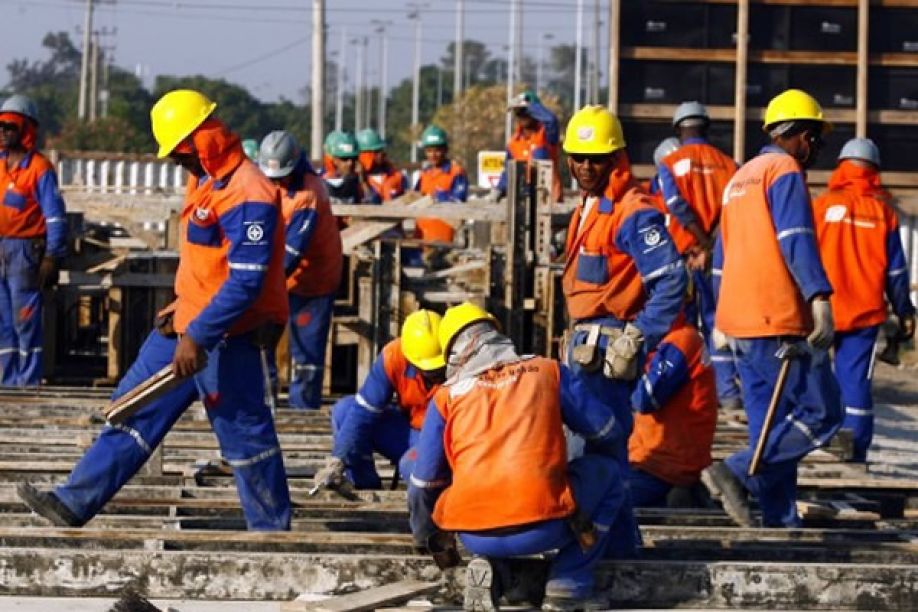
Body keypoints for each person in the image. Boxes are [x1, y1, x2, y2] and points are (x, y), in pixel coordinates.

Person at [16, 89, 292, 531]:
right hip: (186, 326)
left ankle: (272, 534)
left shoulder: (248, 192)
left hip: (227, 337)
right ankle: (73, 502)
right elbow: (206, 263)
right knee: (131, 409)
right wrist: (181, 308)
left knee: (244, 437)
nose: (174, 164)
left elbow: (246, 280)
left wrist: (198, 335)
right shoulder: (203, 179)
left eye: (176, 154)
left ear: (195, 143)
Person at [408, 302, 629, 611]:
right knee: (609, 475)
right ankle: (570, 580)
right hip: (545, 527)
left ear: (451, 353)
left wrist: (425, 538)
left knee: (462, 485)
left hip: (473, 534)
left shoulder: (446, 396)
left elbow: (423, 482)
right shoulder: (547, 371)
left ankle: (493, 569)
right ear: (496, 332)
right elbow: (607, 431)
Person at [707, 89, 842, 528]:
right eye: (815, 139)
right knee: (822, 413)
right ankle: (737, 471)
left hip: (740, 320)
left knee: (771, 423)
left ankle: (778, 519)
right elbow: (795, 239)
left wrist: (719, 318)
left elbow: (720, 256)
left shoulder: (740, 178)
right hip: (776, 318)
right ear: (800, 136)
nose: (816, 149)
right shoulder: (784, 170)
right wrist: (818, 297)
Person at [561, 105, 687, 554]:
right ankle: (622, 550)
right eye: (577, 157)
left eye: (595, 158)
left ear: (616, 158)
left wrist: (638, 336)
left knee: (602, 453)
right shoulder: (590, 207)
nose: (585, 167)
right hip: (584, 351)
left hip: (608, 356)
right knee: (603, 456)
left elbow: (672, 279)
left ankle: (608, 553)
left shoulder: (634, 212)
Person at [812, 138, 916, 462]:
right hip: (864, 314)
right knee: (854, 384)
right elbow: (897, 273)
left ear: (841, 166)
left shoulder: (821, 207)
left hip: (819, 309)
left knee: (812, 376)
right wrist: (905, 311)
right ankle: (854, 454)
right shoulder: (883, 213)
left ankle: (814, 442)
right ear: (874, 171)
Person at [657, 101, 741, 409]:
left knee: (682, 326)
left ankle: (687, 393)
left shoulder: (671, 163)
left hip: (683, 258)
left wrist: (699, 244)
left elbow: (676, 206)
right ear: (706, 127)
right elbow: (733, 209)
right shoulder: (729, 165)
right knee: (718, 322)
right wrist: (711, 246)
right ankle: (728, 394)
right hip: (717, 259)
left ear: (679, 129)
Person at [257, 130, 343, 410]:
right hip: (278, 279)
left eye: (281, 176)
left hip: (312, 283)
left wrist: (255, 284)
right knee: (261, 343)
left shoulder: (310, 194)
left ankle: (303, 414)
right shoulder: (269, 187)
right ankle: (264, 406)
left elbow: (292, 252)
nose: (276, 182)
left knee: (307, 357)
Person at [313, 310, 445, 490]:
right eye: (427, 368)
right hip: (408, 433)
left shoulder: (459, 360)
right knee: (345, 411)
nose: (433, 373)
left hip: (441, 439)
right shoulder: (393, 356)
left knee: (413, 467)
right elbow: (363, 410)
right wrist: (337, 459)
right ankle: (364, 486)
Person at [0, 94, 67, 386]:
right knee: (2, 321)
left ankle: (26, 381)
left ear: (26, 129)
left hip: (25, 253)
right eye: (0, 126)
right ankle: (5, 380)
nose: (3, 132)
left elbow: (54, 216)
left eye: (9, 127)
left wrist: (53, 256)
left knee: (24, 318)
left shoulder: (39, 169)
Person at [628, 315, 718, 507]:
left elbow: (645, 399)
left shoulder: (680, 341)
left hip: (663, 466)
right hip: (655, 459)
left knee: (595, 502)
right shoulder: (672, 339)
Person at [492, 90, 563, 203]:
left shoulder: (547, 135)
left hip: (548, 200)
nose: (522, 116)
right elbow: (508, 172)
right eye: (518, 113)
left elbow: (551, 120)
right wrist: (500, 188)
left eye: (525, 112)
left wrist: (530, 105)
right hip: (522, 201)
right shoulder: (514, 143)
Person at [414, 125, 468, 245]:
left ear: (445, 150)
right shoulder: (424, 174)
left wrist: (441, 197)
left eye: (437, 150)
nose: (433, 155)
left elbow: (460, 202)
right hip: (421, 238)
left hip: (446, 239)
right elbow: (415, 198)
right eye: (429, 151)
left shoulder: (456, 172)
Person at [356, 128, 407, 203]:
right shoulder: (353, 182)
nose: (381, 155)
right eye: (376, 152)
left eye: (381, 150)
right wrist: (362, 181)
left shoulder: (398, 177)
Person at [322, 130, 363, 203]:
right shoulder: (320, 183)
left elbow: (372, 201)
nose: (350, 163)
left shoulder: (356, 182)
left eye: (354, 159)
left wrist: (363, 181)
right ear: (334, 160)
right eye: (345, 158)